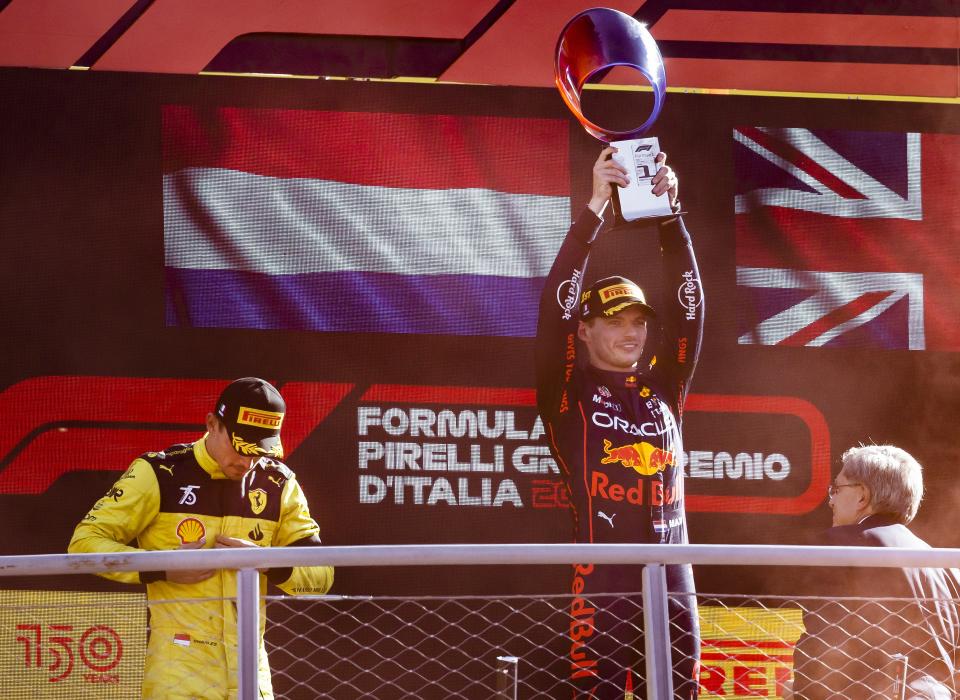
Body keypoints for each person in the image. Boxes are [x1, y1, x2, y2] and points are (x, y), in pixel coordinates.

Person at [536, 147, 703, 698]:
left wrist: (671, 217)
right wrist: (593, 211)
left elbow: (690, 309)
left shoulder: (665, 386)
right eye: (612, 321)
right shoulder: (568, 393)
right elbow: (553, 311)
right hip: (600, 580)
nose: (630, 332)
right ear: (584, 331)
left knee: (680, 692)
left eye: (637, 322)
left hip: (673, 572)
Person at [68, 377, 334, 699]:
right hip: (178, 680)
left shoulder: (280, 484)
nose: (248, 463)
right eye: (240, 448)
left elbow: (321, 576)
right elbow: (83, 544)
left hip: (252, 681)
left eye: (259, 452)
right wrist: (163, 567)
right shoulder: (159, 473)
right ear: (212, 424)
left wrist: (264, 562)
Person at [792, 445, 960, 699]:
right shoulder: (944, 566)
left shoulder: (841, 545)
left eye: (837, 489)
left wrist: (800, 693)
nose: (831, 500)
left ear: (862, 496)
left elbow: (823, 646)